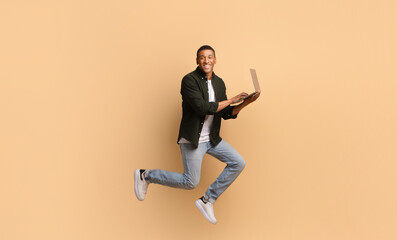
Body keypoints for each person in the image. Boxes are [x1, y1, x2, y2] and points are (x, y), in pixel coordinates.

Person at [134, 45, 260, 224]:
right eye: (202, 57)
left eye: (210, 57)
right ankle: (145, 175)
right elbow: (202, 107)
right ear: (197, 61)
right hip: (193, 139)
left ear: (215, 60)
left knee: (238, 162)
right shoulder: (189, 80)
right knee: (190, 182)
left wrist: (246, 102)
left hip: (212, 139)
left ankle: (207, 200)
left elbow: (224, 113)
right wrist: (231, 99)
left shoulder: (219, 83)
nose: (206, 61)